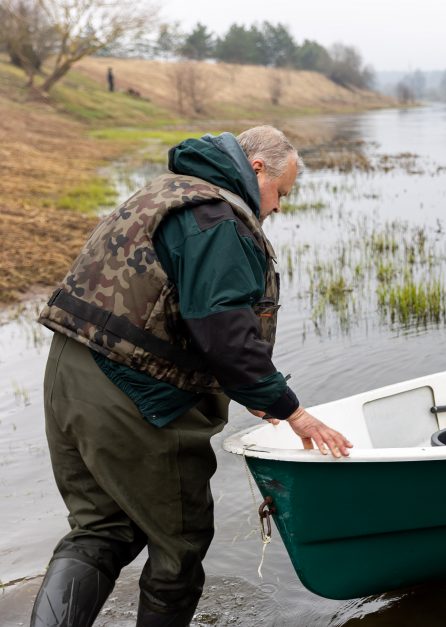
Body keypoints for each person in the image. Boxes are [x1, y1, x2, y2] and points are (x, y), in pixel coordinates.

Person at [31, 126, 352, 626]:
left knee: (100, 529)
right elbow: (224, 331)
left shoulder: (168, 189)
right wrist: (294, 412)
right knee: (179, 544)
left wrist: (252, 392)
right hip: (134, 394)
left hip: (67, 375)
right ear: (258, 169)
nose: (278, 208)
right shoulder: (215, 216)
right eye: (280, 193)